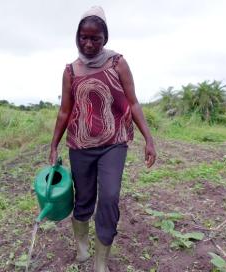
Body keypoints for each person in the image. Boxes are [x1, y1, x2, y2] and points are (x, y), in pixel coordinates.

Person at [48, 6, 156, 272]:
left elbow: (133, 102)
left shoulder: (117, 63)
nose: (88, 43)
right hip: (80, 145)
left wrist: (149, 139)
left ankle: (101, 262)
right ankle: (82, 249)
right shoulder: (70, 72)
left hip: (114, 142)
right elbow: (64, 111)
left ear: (104, 38)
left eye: (95, 38)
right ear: (77, 36)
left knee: (109, 197)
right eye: (83, 37)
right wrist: (53, 145)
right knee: (83, 198)